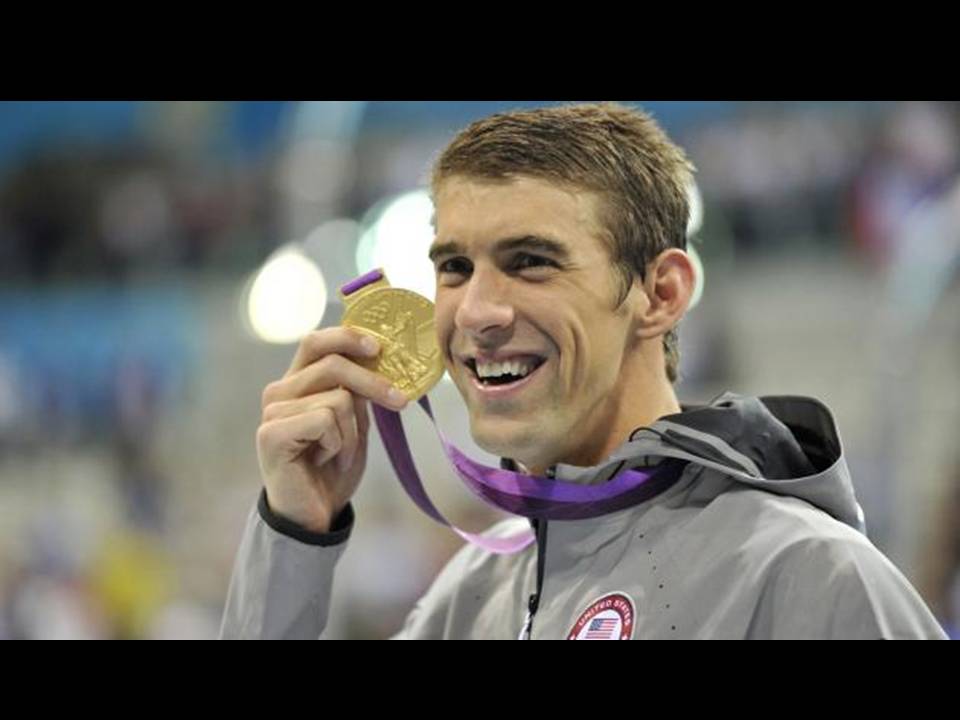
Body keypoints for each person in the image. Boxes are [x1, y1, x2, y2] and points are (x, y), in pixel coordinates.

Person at [220, 103, 947, 639]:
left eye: (530, 262)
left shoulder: (806, 576)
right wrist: (295, 536)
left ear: (660, 294)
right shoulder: (470, 601)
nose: (476, 312)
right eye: (455, 267)